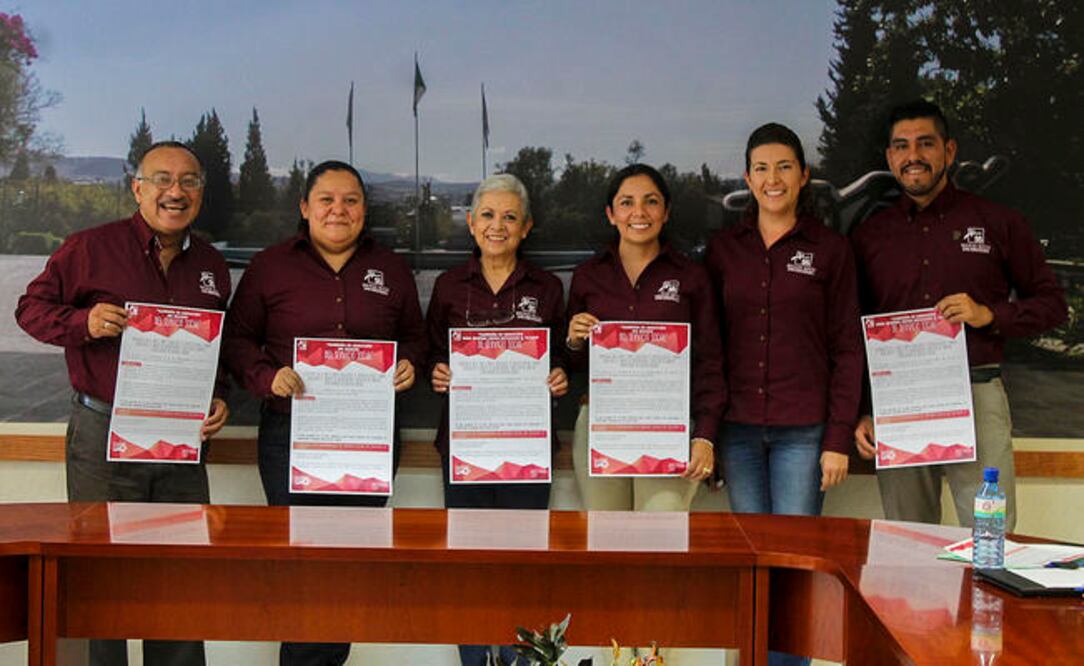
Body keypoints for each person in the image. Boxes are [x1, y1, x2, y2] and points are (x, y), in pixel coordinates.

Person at [15, 140, 231, 666]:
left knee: (178, 579)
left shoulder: (210, 264)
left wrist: (219, 397)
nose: (175, 192)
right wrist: (82, 323)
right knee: (99, 581)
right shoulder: (90, 248)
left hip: (180, 445)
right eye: (162, 179)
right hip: (103, 438)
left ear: (201, 193)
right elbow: (30, 309)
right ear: (137, 188)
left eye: (188, 182)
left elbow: (217, 346)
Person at [223, 160, 425, 666]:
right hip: (290, 436)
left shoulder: (393, 269)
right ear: (305, 207)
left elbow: (418, 339)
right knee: (303, 566)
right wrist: (266, 376)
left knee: (347, 569)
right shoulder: (271, 266)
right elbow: (238, 339)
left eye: (351, 200)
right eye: (327, 199)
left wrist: (411, 365)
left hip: (368, 437)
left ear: (364, 209)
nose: (339, 209)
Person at [852, 100, 1068, 532]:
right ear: (890, 158)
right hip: (900, 402)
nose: (913, 155)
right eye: (901, 146)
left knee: (990, 535)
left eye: (925, 143)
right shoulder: (869, 237)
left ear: (949, 151)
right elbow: (850, 329)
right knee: (908, 535)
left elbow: (1053, 305)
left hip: (977, 390)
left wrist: (990, 314)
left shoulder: (997, 223)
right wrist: (862, 410)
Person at [705, 123, 862, 666]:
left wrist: (837, 437)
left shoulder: (831, 250)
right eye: (762, 169)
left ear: (804, 176)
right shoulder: (724, 251)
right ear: (747, 178)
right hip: (739, 430)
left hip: (804, 432)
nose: (773, 179)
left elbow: (847, 348)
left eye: (784, 167)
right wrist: (706, 435)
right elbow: (708, 347)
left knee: (795, 567)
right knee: (751, 564)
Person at [426, 173, 567, 666]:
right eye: (487, 215)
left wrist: (559, 377)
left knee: (522, 566)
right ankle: (472, 661)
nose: (497, 225)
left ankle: (521, 663)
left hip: (526, 451)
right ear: (470, 223)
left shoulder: (547, 289)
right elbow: (428, 354)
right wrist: (436, 372)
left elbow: (562, 363)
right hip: (464, 448)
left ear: (526, 227)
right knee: (467, 566)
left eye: (509, 216)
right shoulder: (447, 286)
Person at [566, 163, 723, 511]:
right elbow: (575, 365)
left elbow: (710, 364)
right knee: (605, 540)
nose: (638, 212)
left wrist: (705, 436)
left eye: (651, 202)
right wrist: (575, 340)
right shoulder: (588, 277)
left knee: (660, 542)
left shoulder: (692, 277)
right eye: (626, 202)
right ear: (610, 214)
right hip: (603, 425)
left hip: (668, 425)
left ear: (665, 212)